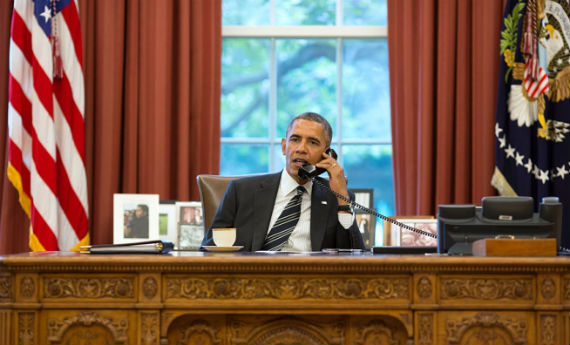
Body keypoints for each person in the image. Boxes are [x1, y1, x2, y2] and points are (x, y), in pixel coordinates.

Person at [201, 112, 365, 251]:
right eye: (295, 139)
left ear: (327, 154)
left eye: (313, 142)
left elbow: (354, 255)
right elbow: (209, 249)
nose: (301, 148)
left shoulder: (334, 198)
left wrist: (342, 199)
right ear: (283, 146)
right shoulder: (241, 191)